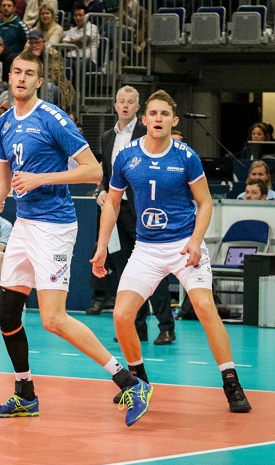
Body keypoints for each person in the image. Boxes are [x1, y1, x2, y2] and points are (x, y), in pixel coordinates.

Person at [0, 50, 152, 427]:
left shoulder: (53, 119)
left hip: (55, 226)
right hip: (25, 224)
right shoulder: (5, 123)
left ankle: (130, 382)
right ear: (9, 78)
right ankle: (25, 394)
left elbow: (94, 171)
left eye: (29, 73)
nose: (22, 78)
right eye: (16, 72)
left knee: (53, 319)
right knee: (7, 312)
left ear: (39, 81)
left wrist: (42, 178)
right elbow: (1, 184)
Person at [91, 90, 252, 414]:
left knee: (205, 307)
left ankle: (231, 381)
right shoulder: (127, 157)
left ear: (173, 120)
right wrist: (100, 248)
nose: (158, 119)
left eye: (165, 114)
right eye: (154, 113)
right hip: (147, 247)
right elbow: (112, 202)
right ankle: (138, 382)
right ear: (145, 118)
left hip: (182, 245)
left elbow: (205, 203)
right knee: (122, 315)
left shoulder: (185, 156)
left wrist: (195, 241)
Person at [93, 86, 175, 347]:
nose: (126, 105)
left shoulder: (146, 132)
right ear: (115, 105)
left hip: (142, 210)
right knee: (124, 269)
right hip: (115, 209)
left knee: (154, 269)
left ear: (139, 110)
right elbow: (106, 173)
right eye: (122, 101)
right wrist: (101, 191)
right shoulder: (107, 137)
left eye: (131, 102)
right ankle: (136, 327)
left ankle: (166, 327)